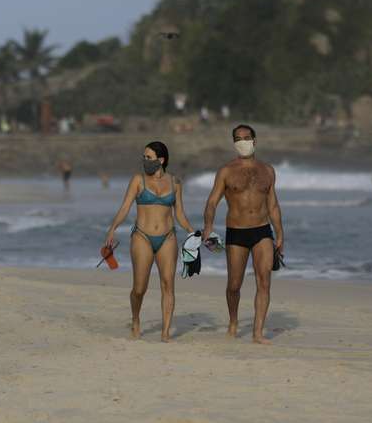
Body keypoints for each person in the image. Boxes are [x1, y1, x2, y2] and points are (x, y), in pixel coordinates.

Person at [105, 141, 195, 342]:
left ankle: (165, 332)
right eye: (144, 157)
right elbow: (125, 207)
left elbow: (179, 214)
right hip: (142, 237)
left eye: (149, 157)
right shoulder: (138, 180)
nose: (145, 161)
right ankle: (136, 320)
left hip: (168, 237)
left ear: (161, 160)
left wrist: (191, 232)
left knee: (168, 284)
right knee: (139, 288)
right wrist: (112, 229)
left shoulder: (175, 183)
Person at [203, 124, 284, 344]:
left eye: (246, 138)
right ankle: (233, 321)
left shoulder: (268, 170)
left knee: (264, 281)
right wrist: (208, 226)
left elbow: (273, 205)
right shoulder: (226, 171)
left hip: (262, 231)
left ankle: (258, 333)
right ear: (234, 143)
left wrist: (279, 234)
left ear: (255, 141)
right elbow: (212, 202)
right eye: (238, 138)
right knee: (234, 285)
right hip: (236, 233)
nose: (243, 142)